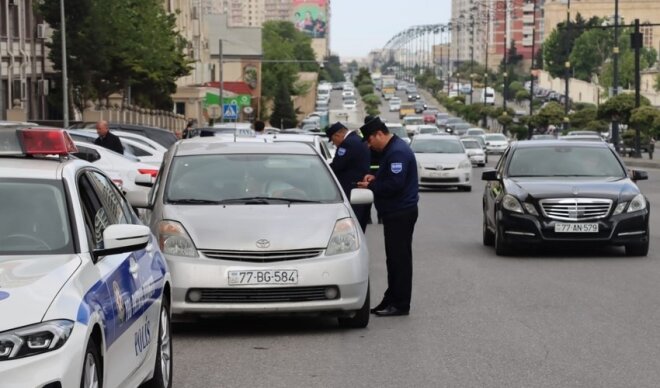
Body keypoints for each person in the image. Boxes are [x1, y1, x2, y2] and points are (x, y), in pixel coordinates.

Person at [358, 116, 419, 317]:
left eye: (369, 140)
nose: (369, 145)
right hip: (395, 212)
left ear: (379, 134)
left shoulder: (397, 152)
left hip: (400, 212)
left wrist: (372, 186)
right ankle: (391, 298)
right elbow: (391, 178)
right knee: (393, 259)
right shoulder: (391, 149)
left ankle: (400, 303)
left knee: (399, 260)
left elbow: (395, 185)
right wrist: (376, 178)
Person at [326, 122, 371, 232]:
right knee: (359, 226)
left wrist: (323, 169)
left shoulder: (347, 144)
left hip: (351, 190)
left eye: (333, 140)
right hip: (360, 190)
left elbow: (337, 166)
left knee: (352, 228)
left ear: (337, 135)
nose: (334, 144)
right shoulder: (357, 139)